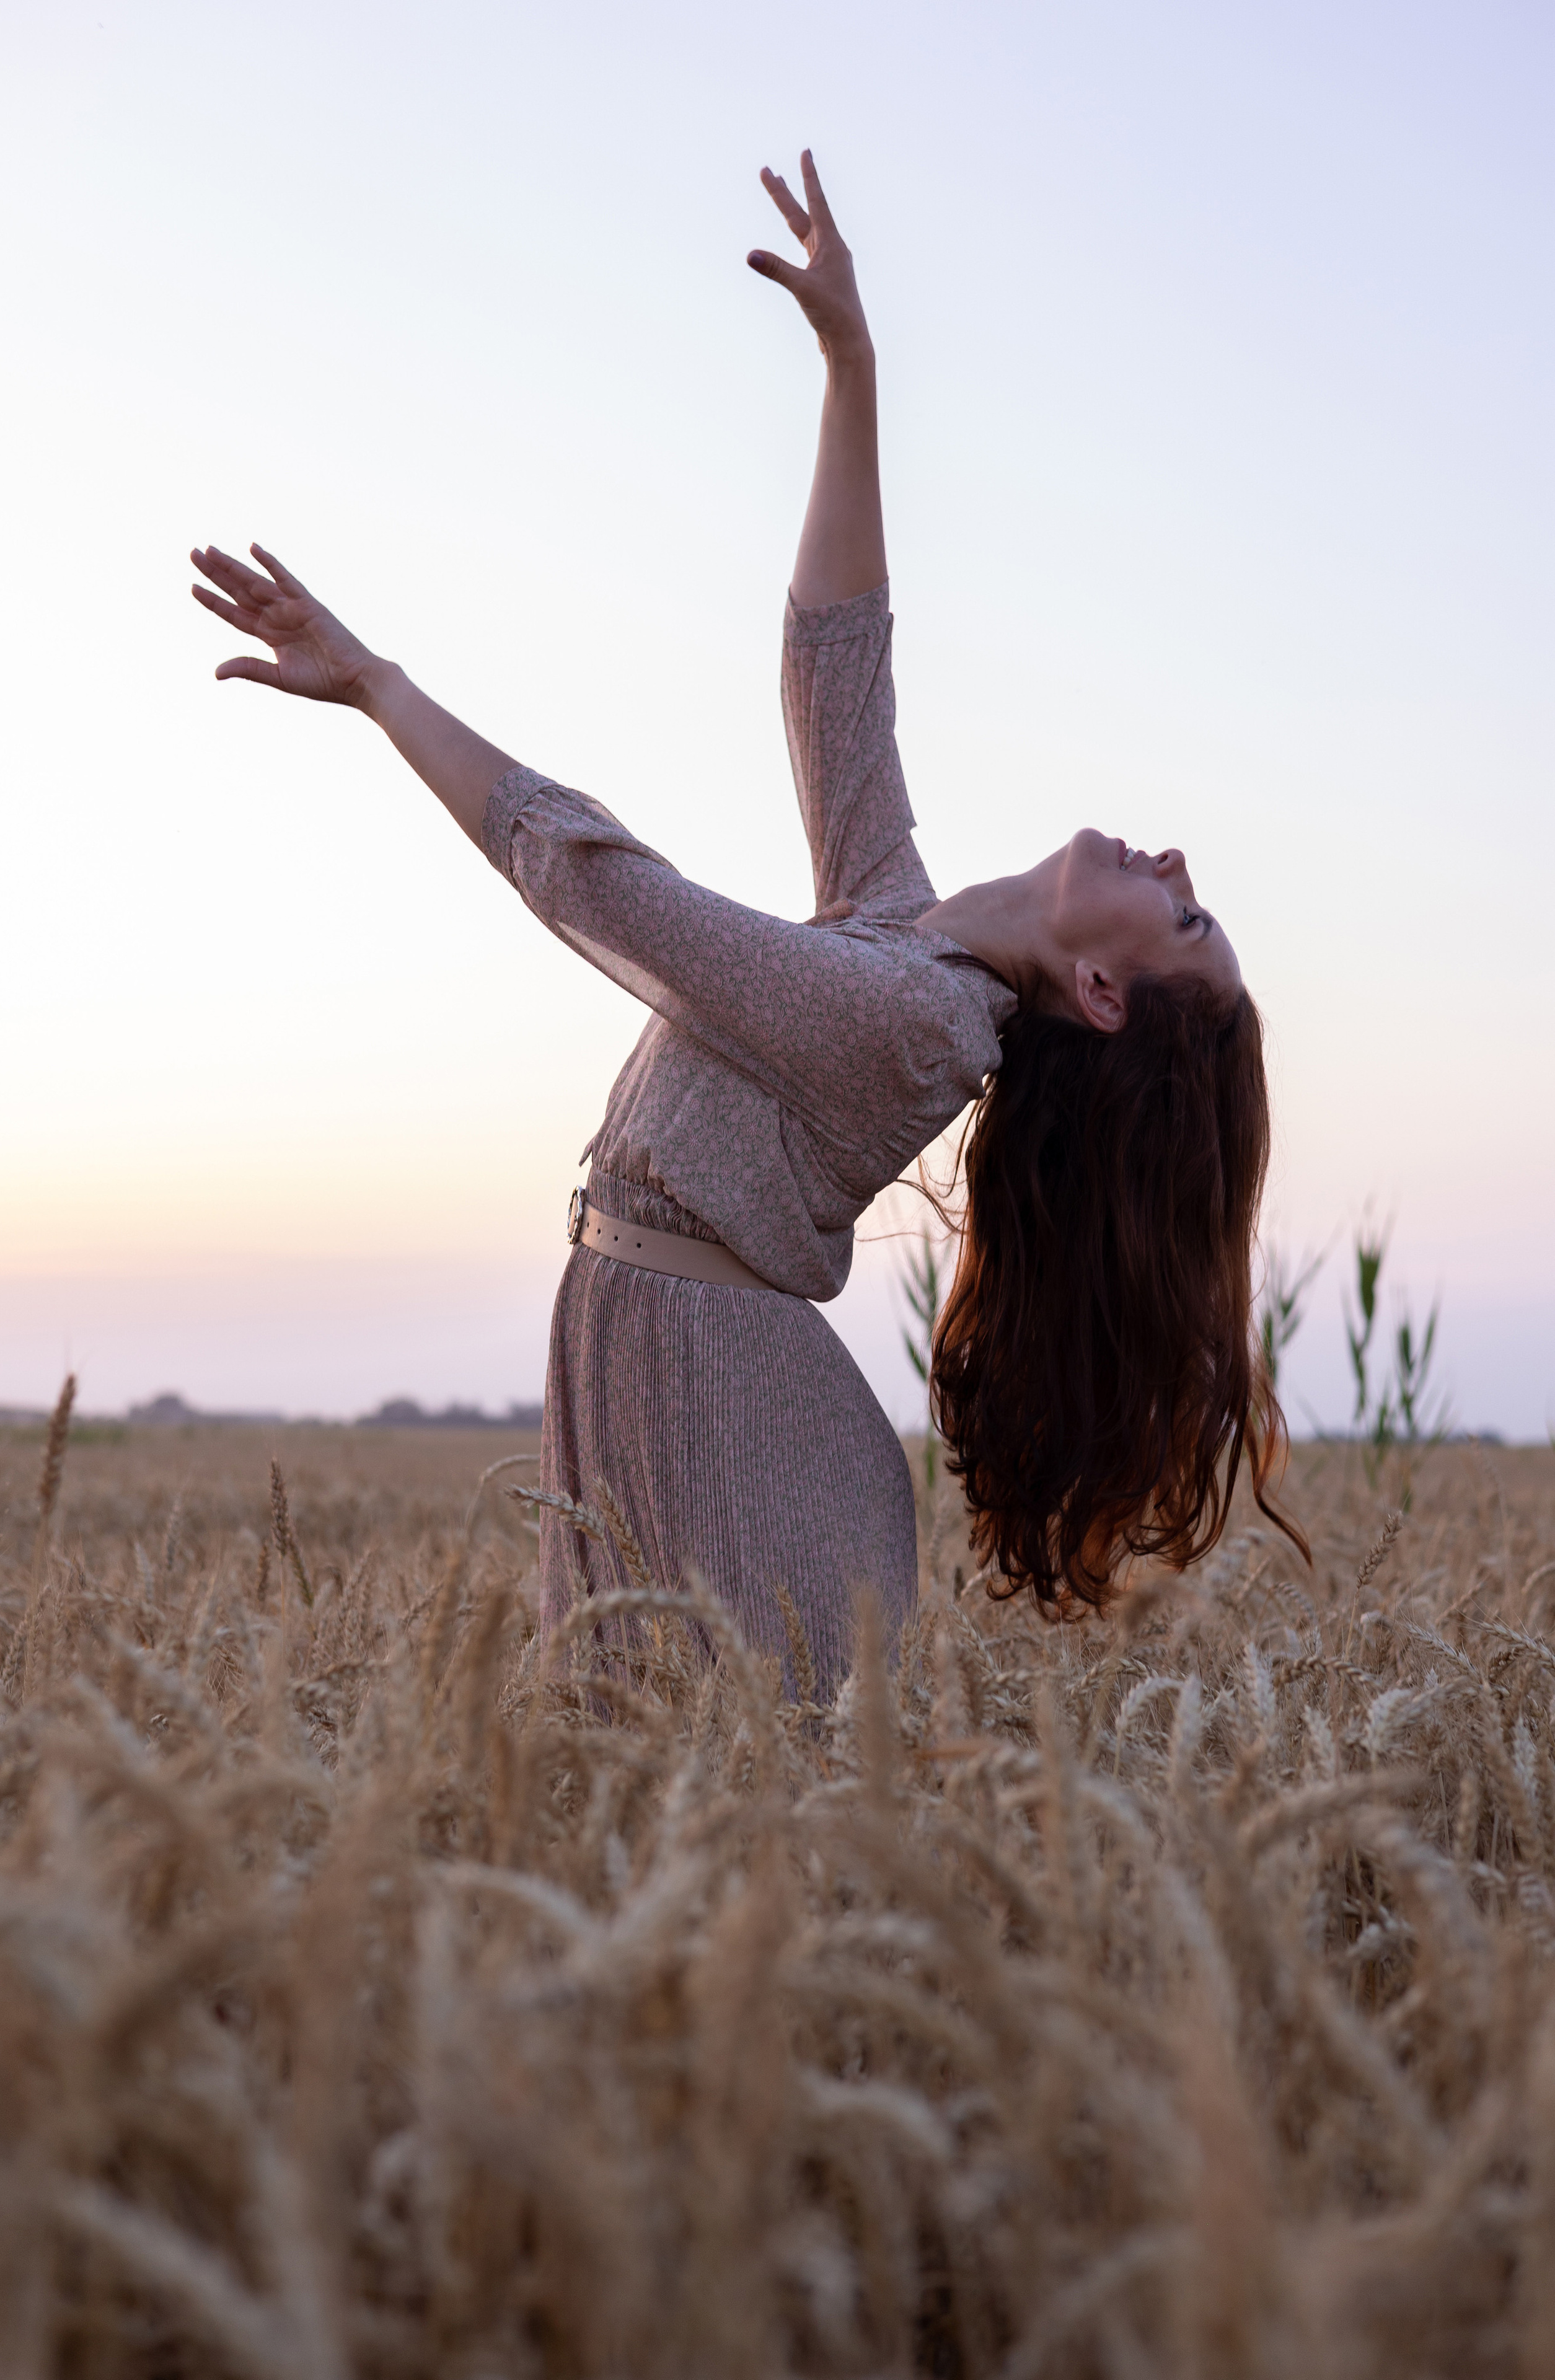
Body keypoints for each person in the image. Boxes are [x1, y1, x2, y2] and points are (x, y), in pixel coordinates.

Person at [190, 153, 1302, 1694]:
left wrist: (382, 689)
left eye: (1182, 914)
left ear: (1105, 992)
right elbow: (832, 667)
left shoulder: (910, 1023)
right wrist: (853, 367)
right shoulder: (906, 942)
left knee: (746, 1817)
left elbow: (603, 887)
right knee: (654, 1791)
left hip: (726, 1403)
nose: (1172, 858)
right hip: (662, 1350)